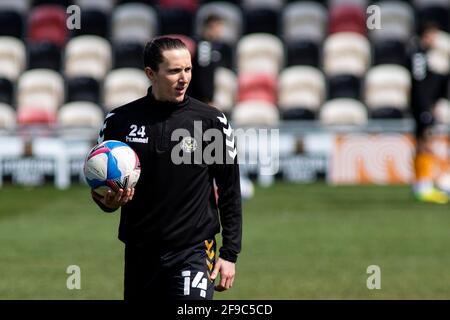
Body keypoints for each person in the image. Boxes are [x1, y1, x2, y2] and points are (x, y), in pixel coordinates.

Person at [91, 37, 242, 300]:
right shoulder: (120, 122)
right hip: (140, 252)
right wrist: (109, 202)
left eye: (188, 69)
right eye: (174, 71)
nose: (184, 78)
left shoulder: (210, 121)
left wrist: (229, 254)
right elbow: (101, 189)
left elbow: (229, 189)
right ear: (151, 73)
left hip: (194, 250)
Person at [409, 23, 450, 204]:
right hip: (422, 105)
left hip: (422, 105)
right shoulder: (419, 55)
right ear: (426, 36)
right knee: (426, 143)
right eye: (432, 35)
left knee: (423, 142)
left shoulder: (424, 54)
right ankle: (424, 186)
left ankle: (421, 185)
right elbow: (420, 85)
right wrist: (425, 107)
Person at [188, 14, 226, 105]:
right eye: (219, 27)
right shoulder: (204, 46)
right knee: (199, 120)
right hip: (199, 99)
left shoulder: (210, 45)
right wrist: (207, 98)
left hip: (198, 99)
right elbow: (204, 75)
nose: (220, 31)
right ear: (211, 27)